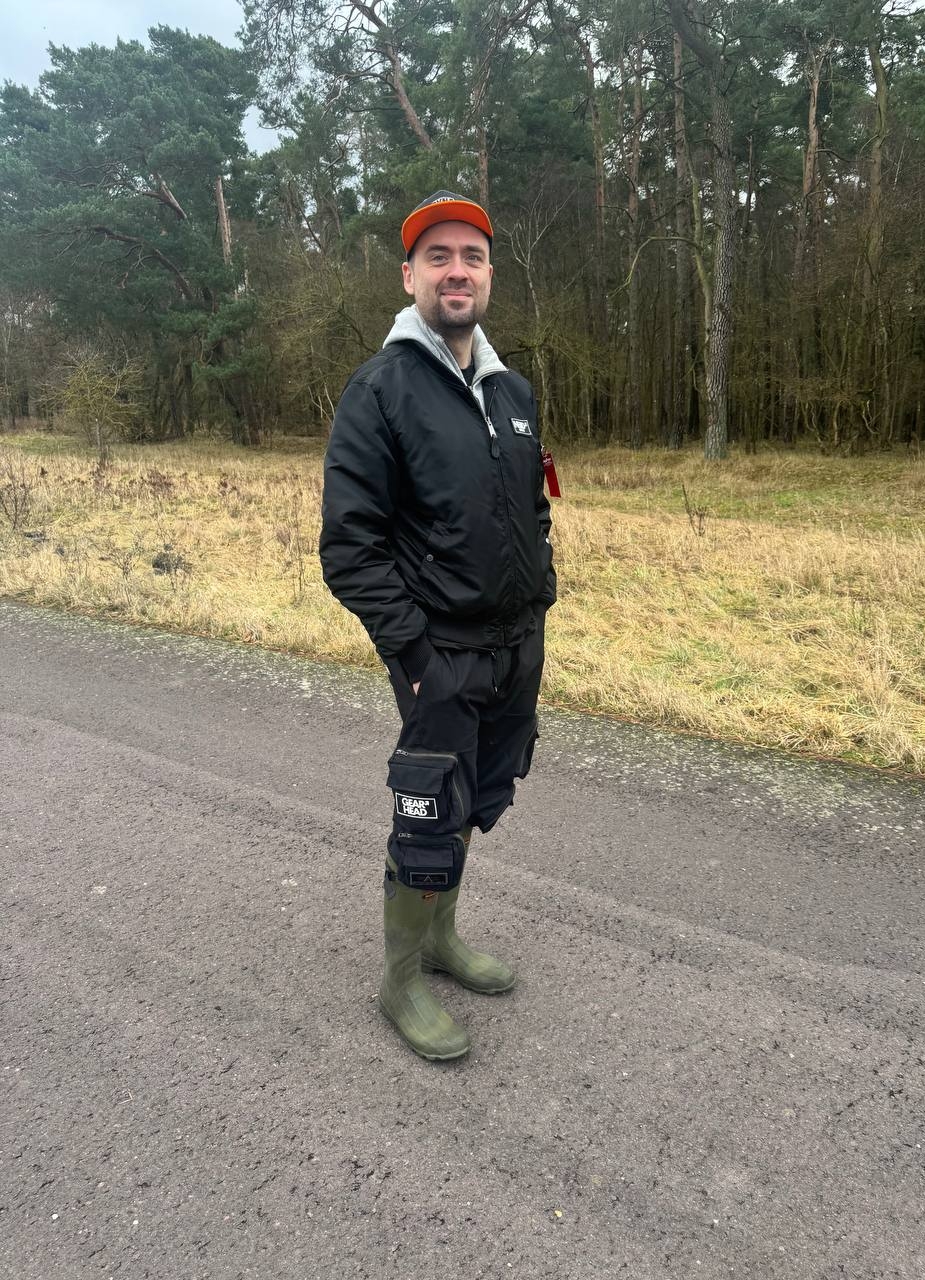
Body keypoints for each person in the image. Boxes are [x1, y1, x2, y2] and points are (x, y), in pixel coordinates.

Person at [319, 190, 556, 1060]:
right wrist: (413, 652)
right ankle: (400, 979)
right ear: (409, 275)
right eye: (439, 256)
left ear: (490, 275)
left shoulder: (511, 391)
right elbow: (349, 547)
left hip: (514, 648)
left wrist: (541, 599)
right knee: (428, 810)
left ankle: (442, 938)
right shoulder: (380, 391)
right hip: (440, 654)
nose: (458, 271)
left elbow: (533, 508)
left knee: (476, 797)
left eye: (473, 256)